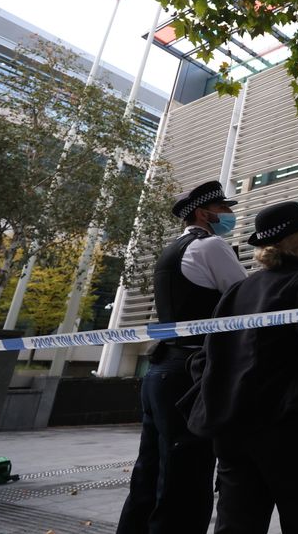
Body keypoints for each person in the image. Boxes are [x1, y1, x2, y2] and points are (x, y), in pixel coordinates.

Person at [185, 201, 298, 534]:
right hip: (290, 433)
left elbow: (205, 358)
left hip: (233, 433)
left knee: (237, 523)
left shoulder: (237, 291)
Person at [118, 180, 247, 534]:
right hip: (188, 375)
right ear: (205, 214)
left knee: (150, 475)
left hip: (160, 371)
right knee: (186, 483)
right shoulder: (212, 246)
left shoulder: (173, 250)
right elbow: (244, 299)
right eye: (225, 210)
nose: (231, 215)